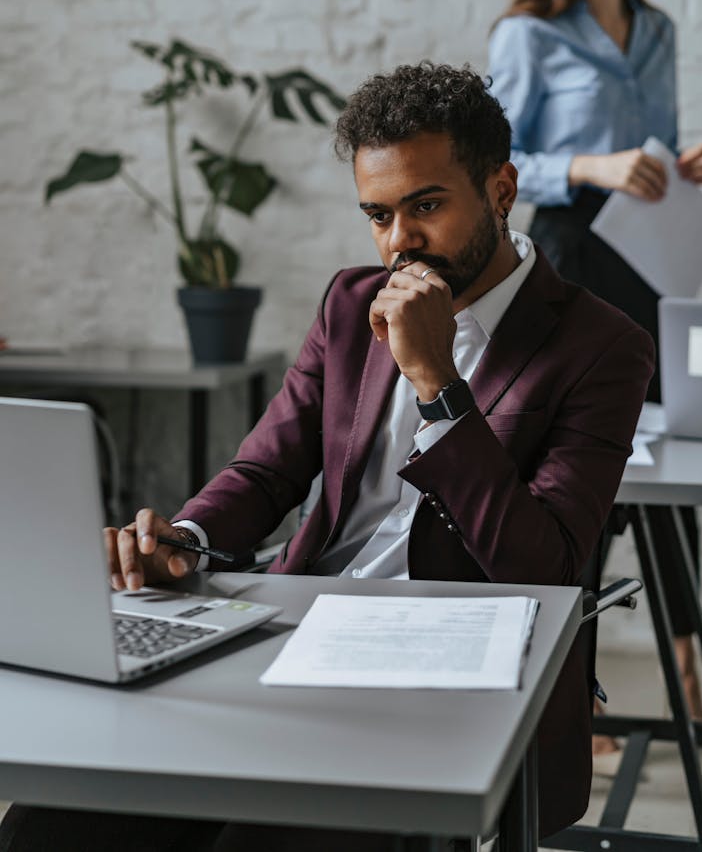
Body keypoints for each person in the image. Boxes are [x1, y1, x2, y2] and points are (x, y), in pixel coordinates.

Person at [1, 62, 654, 851]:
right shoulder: (351, 304)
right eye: (378, 214)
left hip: (452, 680)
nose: (399, 241)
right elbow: (266, 469)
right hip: (297, 634)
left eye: (427, 205)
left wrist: (438, 382)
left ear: (502, 188)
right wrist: (186, 538)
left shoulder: (600, 345)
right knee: (54, 817)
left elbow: (544, 568)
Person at [486, 0, 702, 761]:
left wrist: (679, 162)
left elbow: (649, 144)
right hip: (574, 258)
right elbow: (498, 167)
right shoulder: (528, 35)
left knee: (673, 461)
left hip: (651, 249)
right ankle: (567, 701)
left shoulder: (656, 28)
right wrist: (590, 165)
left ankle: (688, 676)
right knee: (581, 469)